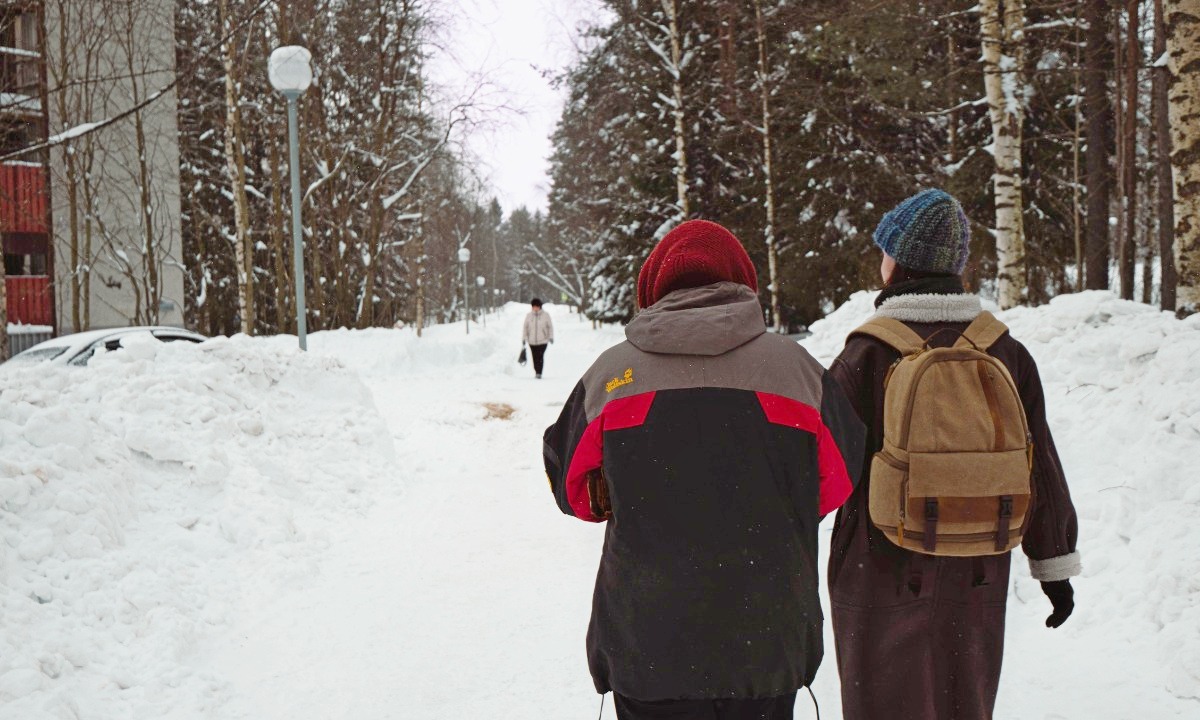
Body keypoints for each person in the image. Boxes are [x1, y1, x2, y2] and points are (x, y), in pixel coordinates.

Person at [543, 220, 865, 720]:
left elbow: (572, 491)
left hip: (647, 640)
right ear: (744, 282)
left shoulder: (612, 376)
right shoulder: (798, 372)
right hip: (767, 638)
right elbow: (837, 482)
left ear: (652, 289)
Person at [827, 189, 1081, 720]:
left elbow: (821, 472)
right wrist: (1053, 564)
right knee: (963, 698)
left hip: (880, 564)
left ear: (898, 261)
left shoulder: (866, 353)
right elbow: (1041, 467)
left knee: (882, 703)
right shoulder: (1005, 351)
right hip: (979, 565)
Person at [522, 298, 554, 379]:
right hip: (531, 341)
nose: (535, 308)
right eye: (534, 306)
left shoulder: (546, 315)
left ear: (540, 306)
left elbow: (550, 327)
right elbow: (525, 328)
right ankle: (536, 371)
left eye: (537, 306)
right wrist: (524, 338)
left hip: (543, 341)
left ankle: (539, 372)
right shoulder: (529, 316)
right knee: (534, 357)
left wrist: (551, 337)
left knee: (540, 356)